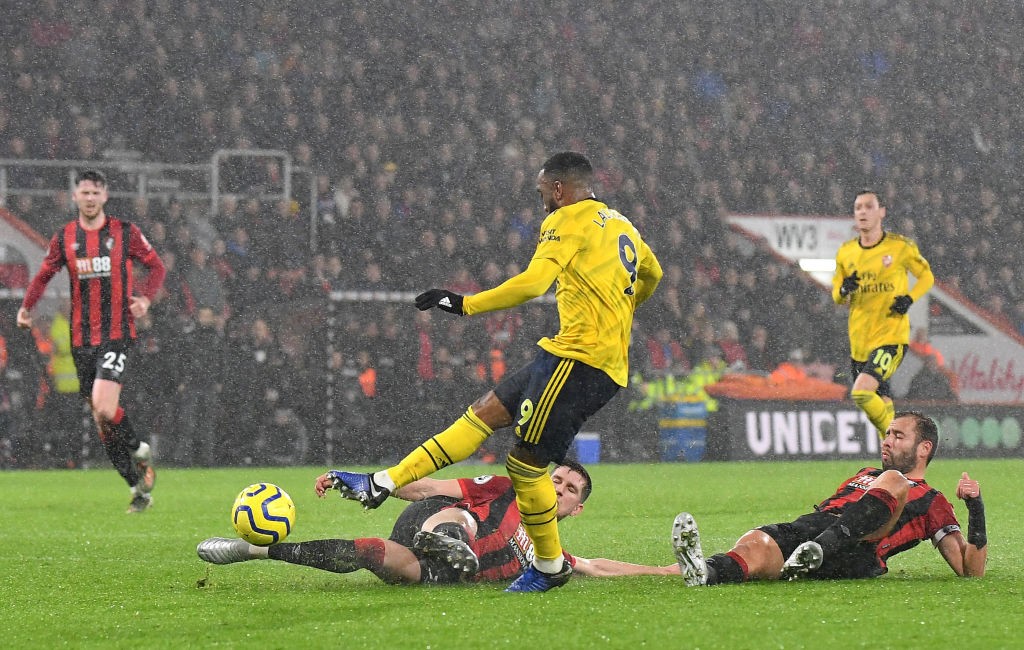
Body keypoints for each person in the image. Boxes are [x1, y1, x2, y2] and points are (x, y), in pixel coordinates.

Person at [330, 152, 663, 592]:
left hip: (580, 362)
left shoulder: (565, 220)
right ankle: (381, 482)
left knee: (525, 467)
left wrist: (465, 303)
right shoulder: (622, 225)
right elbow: (652, 274)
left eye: (543, 191)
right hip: (573, 355)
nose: (542, 200)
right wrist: (621, 307)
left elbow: (531, 284)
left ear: (559, 188)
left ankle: (548, 567)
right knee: (482, 414)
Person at [196, 461, 678, 584]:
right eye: (557, 479)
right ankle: (446, 537)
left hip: (435, 573)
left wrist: (665, 572)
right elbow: (431, 489)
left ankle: (253, 550)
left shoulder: (550, 555)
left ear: (577, 508)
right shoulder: (508, 487)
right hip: (427, 522)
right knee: (460, 513)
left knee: (372, 553)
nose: (557, 488)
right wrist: (375, 482)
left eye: (569, 489)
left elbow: (598, 566)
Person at [671, 411, 987, 586]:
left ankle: (819, 550)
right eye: (887, 434)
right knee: (757, 544)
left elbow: (970, 569)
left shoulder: (932, 499)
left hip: (861, 548)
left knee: (893, 480)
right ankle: (706, 573)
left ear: (924, 449)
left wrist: (976, 509)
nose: (887, 441)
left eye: (898, 436)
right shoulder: (864, 472)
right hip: (817, 528)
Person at [16, 170, 166, 512]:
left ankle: (140, 448)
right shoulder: (65, 237)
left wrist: (145, 299)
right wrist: (26, 307)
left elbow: (156, 267)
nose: (89, 198)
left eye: (95, 192)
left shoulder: (124, 233)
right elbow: (43, 275)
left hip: (117, 333)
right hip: (81, 339)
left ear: (105, 196)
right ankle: (137, 487)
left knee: (103, 407)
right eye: (84, 192)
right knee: (102, 420)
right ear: (75, 197)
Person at [833, 189, 934, 438]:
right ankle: (895, 462)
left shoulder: (900, 247)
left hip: (891, 336)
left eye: (869, 206)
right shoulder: (846, 252)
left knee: (861, 392)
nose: (863, 212)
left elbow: (926, 276)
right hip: (860, 341)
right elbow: (837, 295)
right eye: (858, 208)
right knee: (882, 401)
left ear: (881, 212)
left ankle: (899, 441)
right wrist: (845, 288)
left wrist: (909, 298)